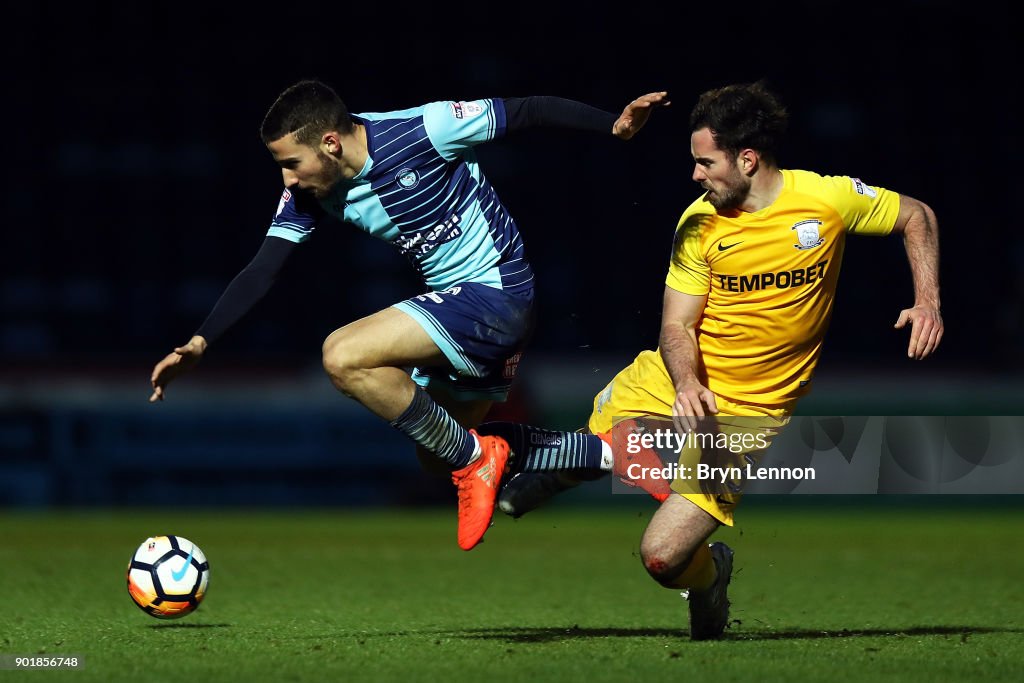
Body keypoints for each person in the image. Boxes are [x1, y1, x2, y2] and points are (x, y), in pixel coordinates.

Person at [477, 81, 942, 639]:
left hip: (748, 414)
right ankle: (560, 471)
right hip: (672, 380)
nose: (695, 175)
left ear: (747, 159)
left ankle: (710, 576)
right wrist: (686, 383)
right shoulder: (699, 223)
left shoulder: (826, 199)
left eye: (705, 163)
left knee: (663, 557)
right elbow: (676, 325)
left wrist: (927, 301)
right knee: (589, 451)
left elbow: (917, 215)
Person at [148, 79, 669, 551]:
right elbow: (263, 268)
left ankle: (476, 462)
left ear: (330, 143)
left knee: (343, 355)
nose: (287, 180)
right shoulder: (310, 194)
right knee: (438, 451)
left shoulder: (425, 128)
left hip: (497, 293)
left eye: (291, 163)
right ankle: (605, 452)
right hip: (471, 314)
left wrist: (614, 125)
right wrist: (200, 342)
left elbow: (526, 109)